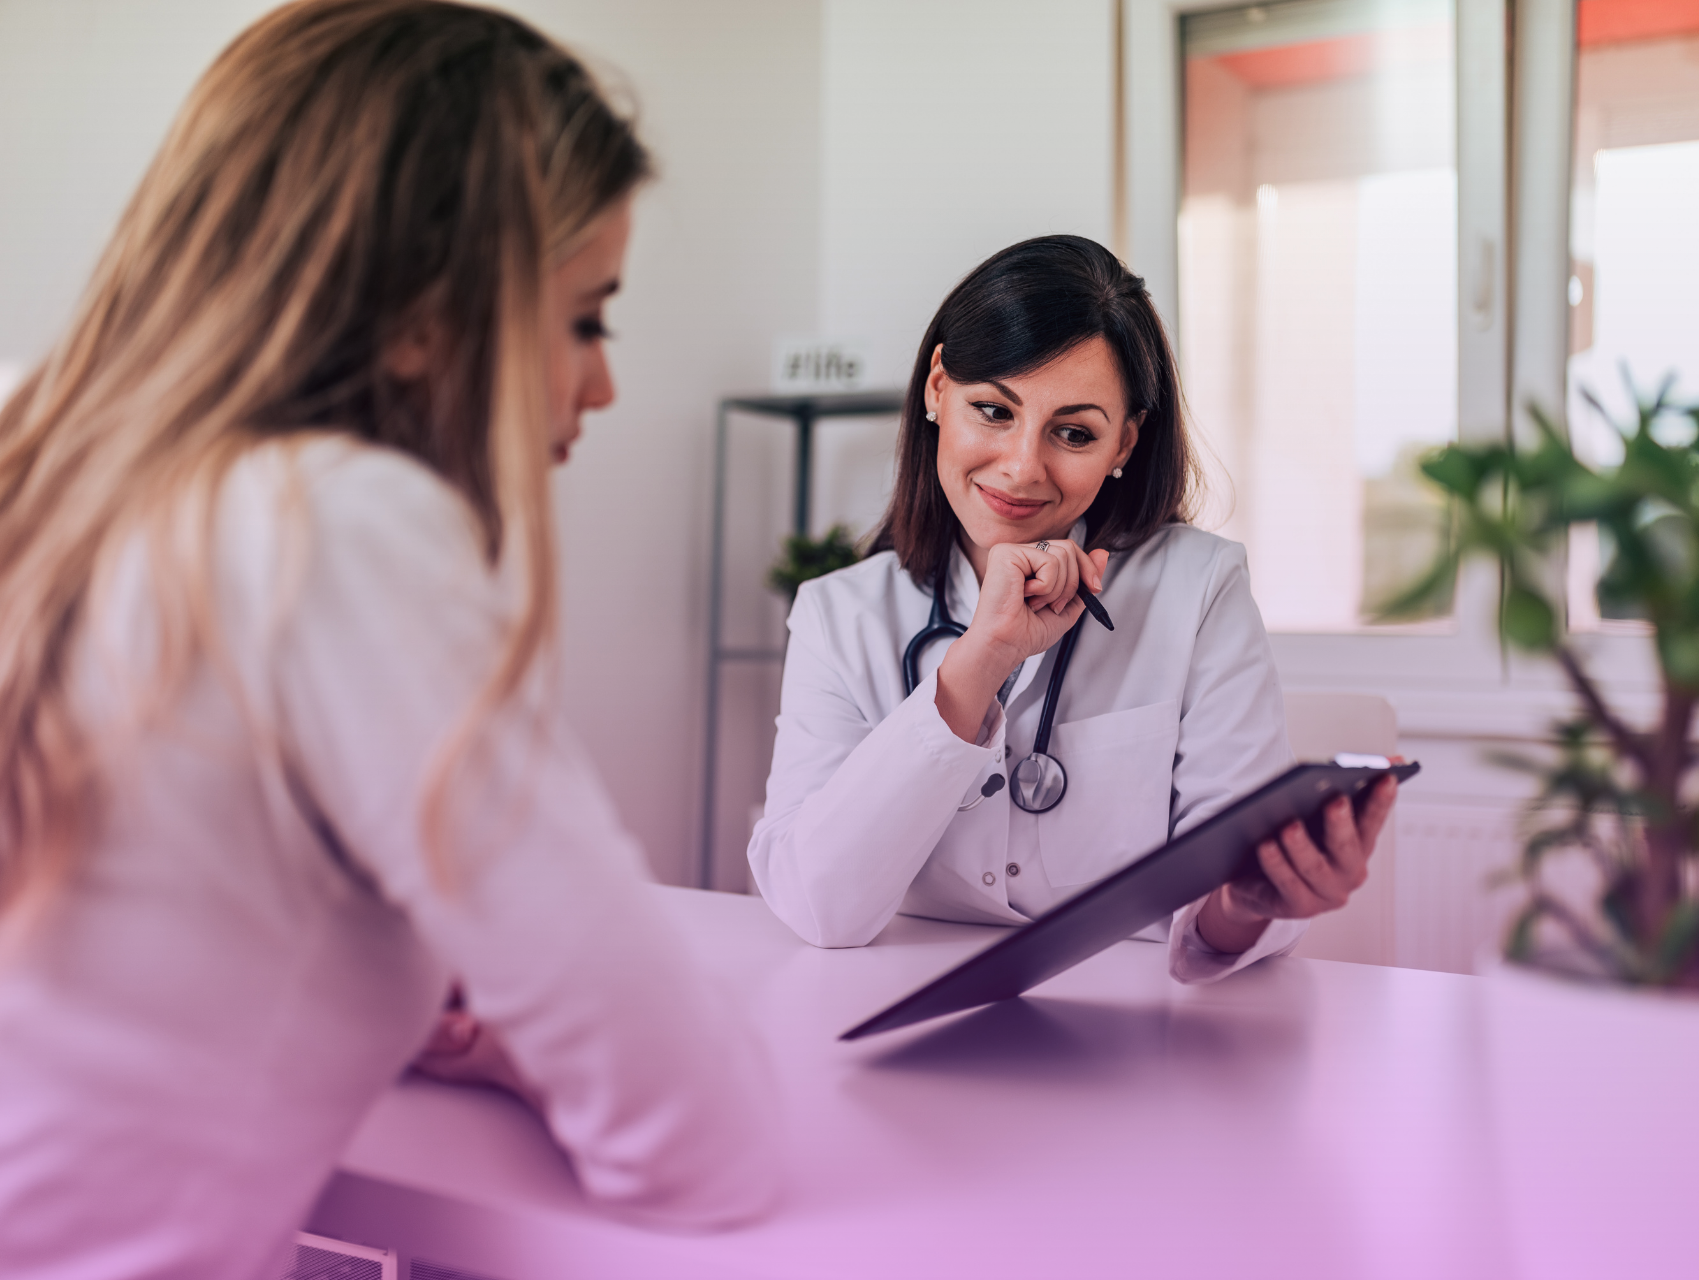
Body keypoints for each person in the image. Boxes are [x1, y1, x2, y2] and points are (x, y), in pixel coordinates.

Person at [0, 3, 777, 1274]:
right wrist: (544, 1052)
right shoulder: (333, 524)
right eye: (588, 317)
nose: (604, 384)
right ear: (424, 314)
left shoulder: (40, 460)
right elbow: (699, 1135)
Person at [748, 235, 1397, 980]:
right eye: (993, 410)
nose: (1022, 467)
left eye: (1075, 433)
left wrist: (1249, 903)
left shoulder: (1199, 587)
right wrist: (977, 662)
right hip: (894, 1006)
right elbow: (818, 906)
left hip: (1140, 1030)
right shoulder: (839, 615)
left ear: (1126, 440)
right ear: (936, 389)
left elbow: (1221, 893)